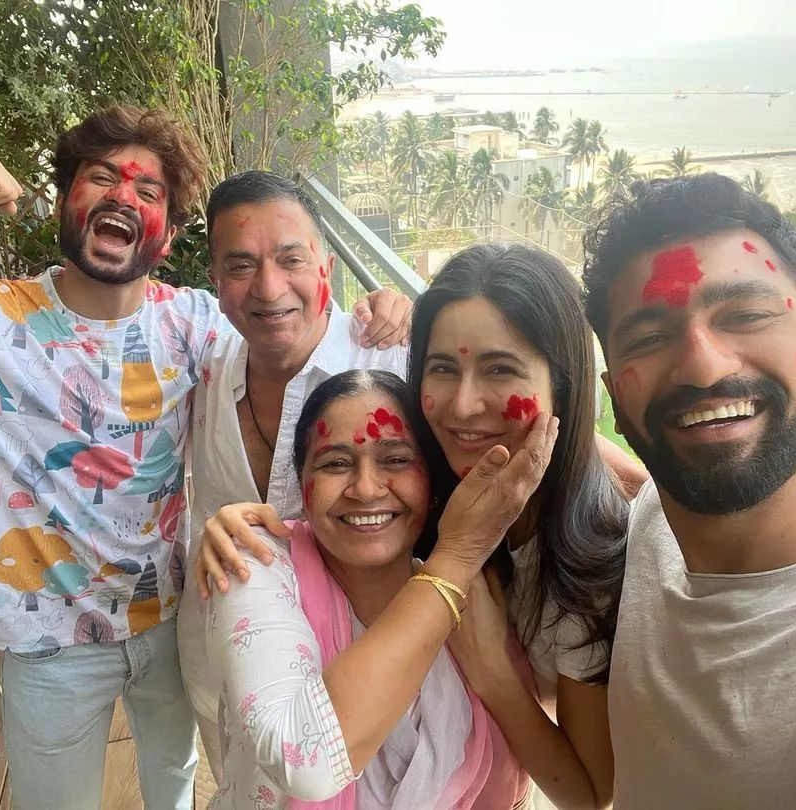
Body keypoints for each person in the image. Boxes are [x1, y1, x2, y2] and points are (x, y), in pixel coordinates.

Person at [0, 106, 409, 810]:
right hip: (47, 649)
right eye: (100, 177)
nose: (123, 196)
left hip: (173, 623)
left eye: (148, 191)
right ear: (64, 200)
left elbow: (291, 321)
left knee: (173, 789)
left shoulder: (197, 323)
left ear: (168, 235)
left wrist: (388, 316)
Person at [200, 244, 641, 808]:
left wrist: (492, 672)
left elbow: (588, 794)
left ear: (565, 384)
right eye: (443, 368)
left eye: (500, 369)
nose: (462, 405)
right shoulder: (431, 488)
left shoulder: (589, 562)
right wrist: (230, 522)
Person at [580, 173, 796, 809]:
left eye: (745, 316)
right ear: (615, 399)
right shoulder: (655, 517)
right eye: (650, 338)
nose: (704, 366)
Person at [207, 369, 548, 808]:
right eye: (335, 463)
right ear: (301, 481)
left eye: (396, 459)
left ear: (432, 483)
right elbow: (304, 759)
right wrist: (456, 558)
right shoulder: (255, 562)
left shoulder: (482, 600)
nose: (366, 489)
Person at [176, 172, 411, 771]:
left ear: (326, 268)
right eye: (241, 265)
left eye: (291, 259)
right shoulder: (202, 364)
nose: (269, 287)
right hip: (224, 664)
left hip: (365, 674)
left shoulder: (390, 362)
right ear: (216, 283)